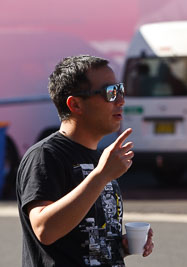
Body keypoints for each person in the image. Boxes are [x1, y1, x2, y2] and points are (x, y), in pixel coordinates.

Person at [16, 55, 154, 267]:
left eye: (120, 90)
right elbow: (44, 229)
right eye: (110, 92)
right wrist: (101, 175)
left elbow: (83, 243)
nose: (121, 100)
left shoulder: (99, 158)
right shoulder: (45, 155)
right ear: (76, 104)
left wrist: (120, 246)